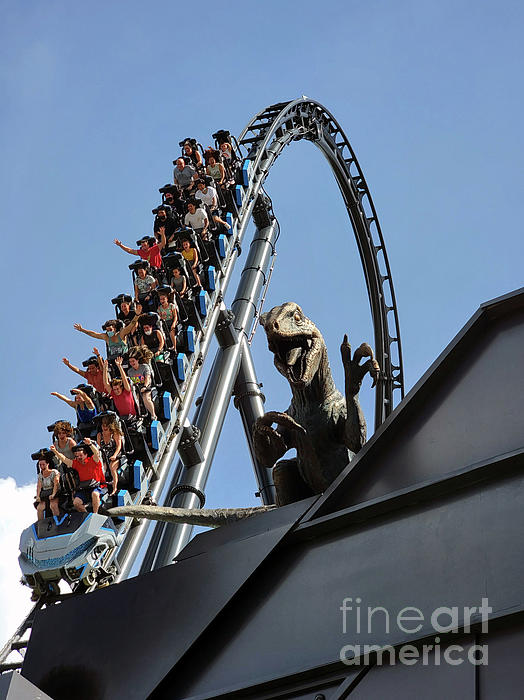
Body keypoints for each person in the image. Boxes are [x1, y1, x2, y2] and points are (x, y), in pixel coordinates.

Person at [50, 439, 106, 514]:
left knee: (95, 494)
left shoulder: (93, 460)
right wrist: (55, 451)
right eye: (77, 456)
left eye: (80, 455)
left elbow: (96, 453)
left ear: (86, 455)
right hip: (84, 488)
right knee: (76, 503)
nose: (79, 457)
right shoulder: (76, 463)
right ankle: (86, 515)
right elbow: (64, 459)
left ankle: (95, 514)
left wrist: (90, 444)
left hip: (96, 486)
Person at [73, 318, 138, 363]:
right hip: (113, 361)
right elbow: (93, 334)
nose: (108, 332)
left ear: (114, 329)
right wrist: (82, 329)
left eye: (110, 330)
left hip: (125, 359)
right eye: (107, 330)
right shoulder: (106, 337)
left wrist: (137, 315)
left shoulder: (121, 334)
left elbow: (131, 325)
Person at [128, 346, 157, 421]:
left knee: (145, 398)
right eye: (130, 362)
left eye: (133, 361)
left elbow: (147, 377)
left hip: (146, 386)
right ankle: (140, 416)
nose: (132, 363)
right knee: (135, 400)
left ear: (137, 360)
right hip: (138, 388)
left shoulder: (144, 367)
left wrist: (145, 386)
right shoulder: (130, 371)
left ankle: (153, 415)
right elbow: (132, 383)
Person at [96, 415, 123, 495]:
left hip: (115, 455)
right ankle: (103, 488)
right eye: (103, 425)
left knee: (112, 467)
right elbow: (98, 448)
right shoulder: (99, 435)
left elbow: (119, 446)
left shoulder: (115, 433)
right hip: (105, 456)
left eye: (106, 425)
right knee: (101, 469)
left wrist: (114, 455)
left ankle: (115, 488)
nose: (104, 427)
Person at [35, 454, 60, 520]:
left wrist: (53, 494)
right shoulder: (40, 475)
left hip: (55, 492)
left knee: (53, 505)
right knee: (39, 508)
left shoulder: (54, 472)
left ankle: (57, 521)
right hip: (46, 493)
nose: (42, 466)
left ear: (47, 464)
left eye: (43, 464)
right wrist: (38, 496)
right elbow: (39, 486)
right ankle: (41, 524)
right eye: (40, 465)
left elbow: (56, 484)